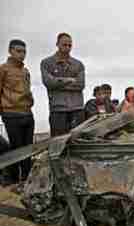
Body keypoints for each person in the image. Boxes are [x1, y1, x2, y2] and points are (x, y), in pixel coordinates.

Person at [0, 39, 34, 183]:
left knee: (28, 150)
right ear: (10, 51)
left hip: (27, 113)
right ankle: (12, 180)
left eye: (24, 52)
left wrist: (31, 101)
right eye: (18, 51)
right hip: (11, 114)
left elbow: (27, 90)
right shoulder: (3, 69)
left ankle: (27, 179)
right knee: (16, 150)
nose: (22, 54)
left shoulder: (25, 71)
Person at [41, 33, 85, 136]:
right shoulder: (47, 63)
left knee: (77, 142)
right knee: (58, 142)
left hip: (77, 109)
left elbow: (80, 85)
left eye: (70, 45)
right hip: (58, 110)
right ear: (57, 44)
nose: (67, 48)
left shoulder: (78, 64)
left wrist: (58, 83)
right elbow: (49, 83)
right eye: (64, 45)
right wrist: (70, 80)